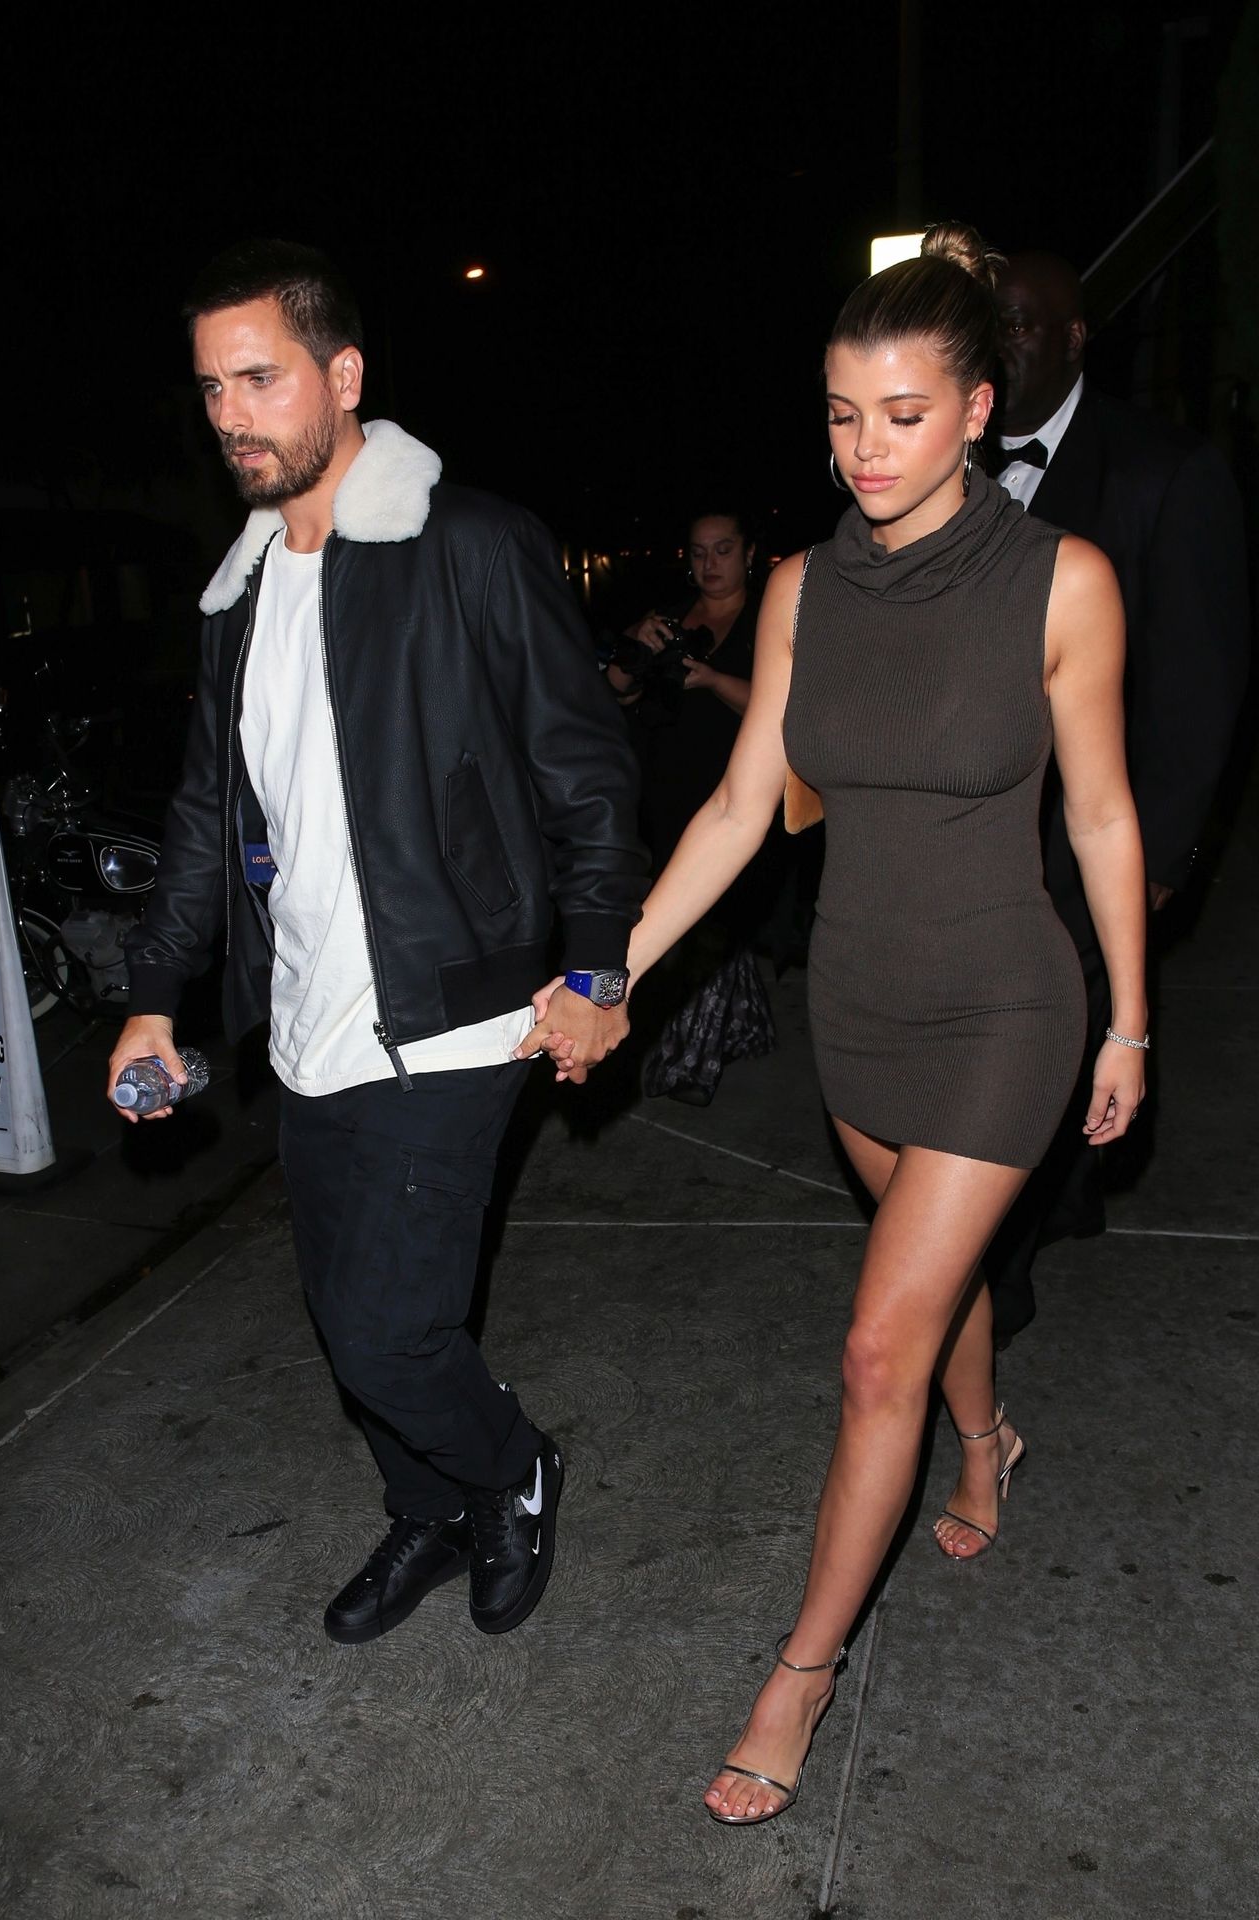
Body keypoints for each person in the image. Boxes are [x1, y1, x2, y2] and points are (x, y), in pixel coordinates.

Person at [522, 222, 1146, 1824]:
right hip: (859, 1005)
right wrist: (610, 970)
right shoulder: (802, 591)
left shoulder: (1063, 582)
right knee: (934, 1282)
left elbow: (1101, 816)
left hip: (1008, 1003)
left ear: (979, 410)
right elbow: (743, 811)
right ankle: (988, 1439)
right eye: (842, 415)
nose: (867, 448)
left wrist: (1131, 1021)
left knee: (876, 1346)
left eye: (905, 415)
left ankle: (796, 1679)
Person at [108, 240, 645, 1646]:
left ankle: (511, 1470)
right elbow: (205, 813)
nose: (232, 415)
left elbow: (586, 772)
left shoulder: (467, 543)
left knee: (388, 1330)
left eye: (261, 379)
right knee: (347, 1324)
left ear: (343, 376)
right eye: (211, 387)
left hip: (456, 1009)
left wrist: (598, 968)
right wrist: (155, 996)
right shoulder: (237, 599)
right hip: (306, 1025)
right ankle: (430, 1508)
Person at [985, 251, 1250, 1344]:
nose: (999, 342)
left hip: (1087, 838)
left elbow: (1198, 691)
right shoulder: (938, 457)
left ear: (1074, 338)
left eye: (1019, 323)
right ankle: (1062, 1197)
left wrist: (1159, 867)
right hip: (971, 835)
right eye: (985, 324)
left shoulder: (1164, 472)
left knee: (1029, 1061)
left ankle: (988, 1288)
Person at [608, 512, 777, 1103]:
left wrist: (712, 681)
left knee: (713, 923)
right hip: (664, 785)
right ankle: (744, 1024)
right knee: (685, 914)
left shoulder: (769, 616)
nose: (710, 564)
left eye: (723, 550)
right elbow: (617, 691)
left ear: (748, 553)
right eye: (699, 552)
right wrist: (634, 646)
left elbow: (785, 707)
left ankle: (691, 1060)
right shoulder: (672, 617)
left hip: (737, 790)